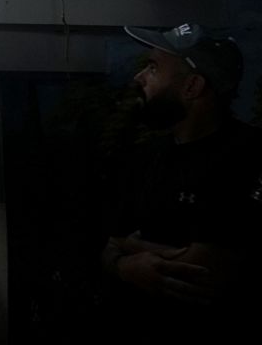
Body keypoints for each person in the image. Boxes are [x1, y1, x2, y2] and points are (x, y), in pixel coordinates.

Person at [99, 23, 261, 342]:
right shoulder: (146, 157)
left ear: (192, 87)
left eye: (153, 68)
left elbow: (205, 271)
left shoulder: (247, 154)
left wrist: (127, 248)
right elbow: (104, 244)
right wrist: (122, 265)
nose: (139, 78)